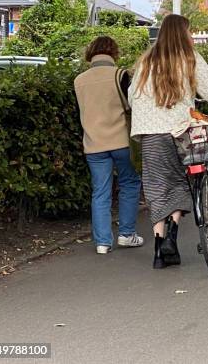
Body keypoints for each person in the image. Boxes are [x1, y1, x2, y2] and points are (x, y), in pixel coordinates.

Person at [129, 14, 208, 269]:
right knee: (181, 183)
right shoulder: (189, 58)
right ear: (183, 34)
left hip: (150, 133)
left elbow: (133, 96)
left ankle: (158, 245)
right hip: (180, 131)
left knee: (156, 187)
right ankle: (172, 235)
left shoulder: (147, 60)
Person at [74, 36, 143, 255]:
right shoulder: (121, 75)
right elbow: (133, 104)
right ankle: (126, 234)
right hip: (121, 140)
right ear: (113, 52)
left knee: (100, 192)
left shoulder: (79, 80)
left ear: (91, 53)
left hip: (93, 142)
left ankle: (103, 242)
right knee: (129, 183)